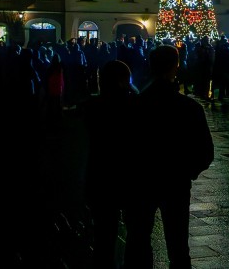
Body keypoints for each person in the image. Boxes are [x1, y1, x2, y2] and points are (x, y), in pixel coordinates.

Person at [123, 45, 214, 269]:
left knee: (138, 240)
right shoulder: (188, 107)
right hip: (175, 181)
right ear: (175, 66)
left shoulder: (134, 105)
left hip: (141, 180)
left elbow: (123, 147)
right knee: (178, 244)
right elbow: (205, 151)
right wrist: (188, 172)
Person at [82, 60, 140, 269]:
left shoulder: (92, 106)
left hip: (101, 175)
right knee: (137, 235)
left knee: (103, 237)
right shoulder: (134, 105)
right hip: (129, 175)